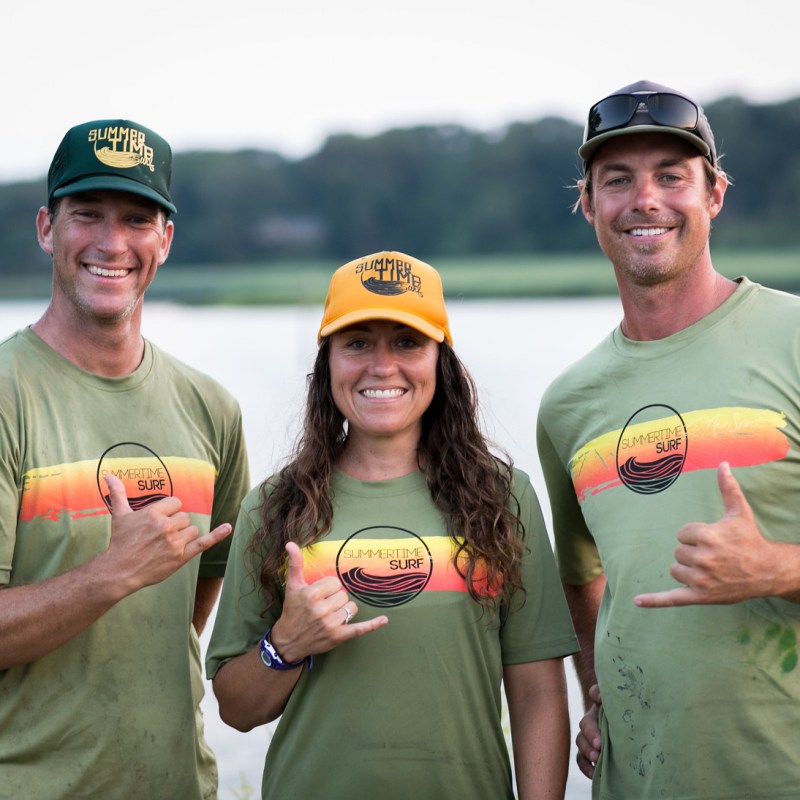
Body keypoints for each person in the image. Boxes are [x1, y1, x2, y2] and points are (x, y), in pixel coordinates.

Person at [206, 251, 578, 799]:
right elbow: (235, 710)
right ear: (327, 362)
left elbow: (537, 693)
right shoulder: (273, 507)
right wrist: (283, 645)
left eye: (407, 342)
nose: (382, 366)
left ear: (440, 361)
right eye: (357, 342)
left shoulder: (503, 499)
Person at [536, 79, 800, 799]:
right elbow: (583, 570)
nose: (644, 199)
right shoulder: (569, 404)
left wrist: (778, 568)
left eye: (671, 176)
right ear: (589, 205)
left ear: (714, 194)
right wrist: (595, 689)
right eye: (617, 180)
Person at [0, 120, 250, 799]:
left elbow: (186, 615)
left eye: (137, 219)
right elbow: (134, 579)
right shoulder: (6, 394)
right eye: (88, 215)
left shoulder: (211, 410)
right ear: (47, 227)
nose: (112, 243)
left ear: (164, 239)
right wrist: (111, 574)